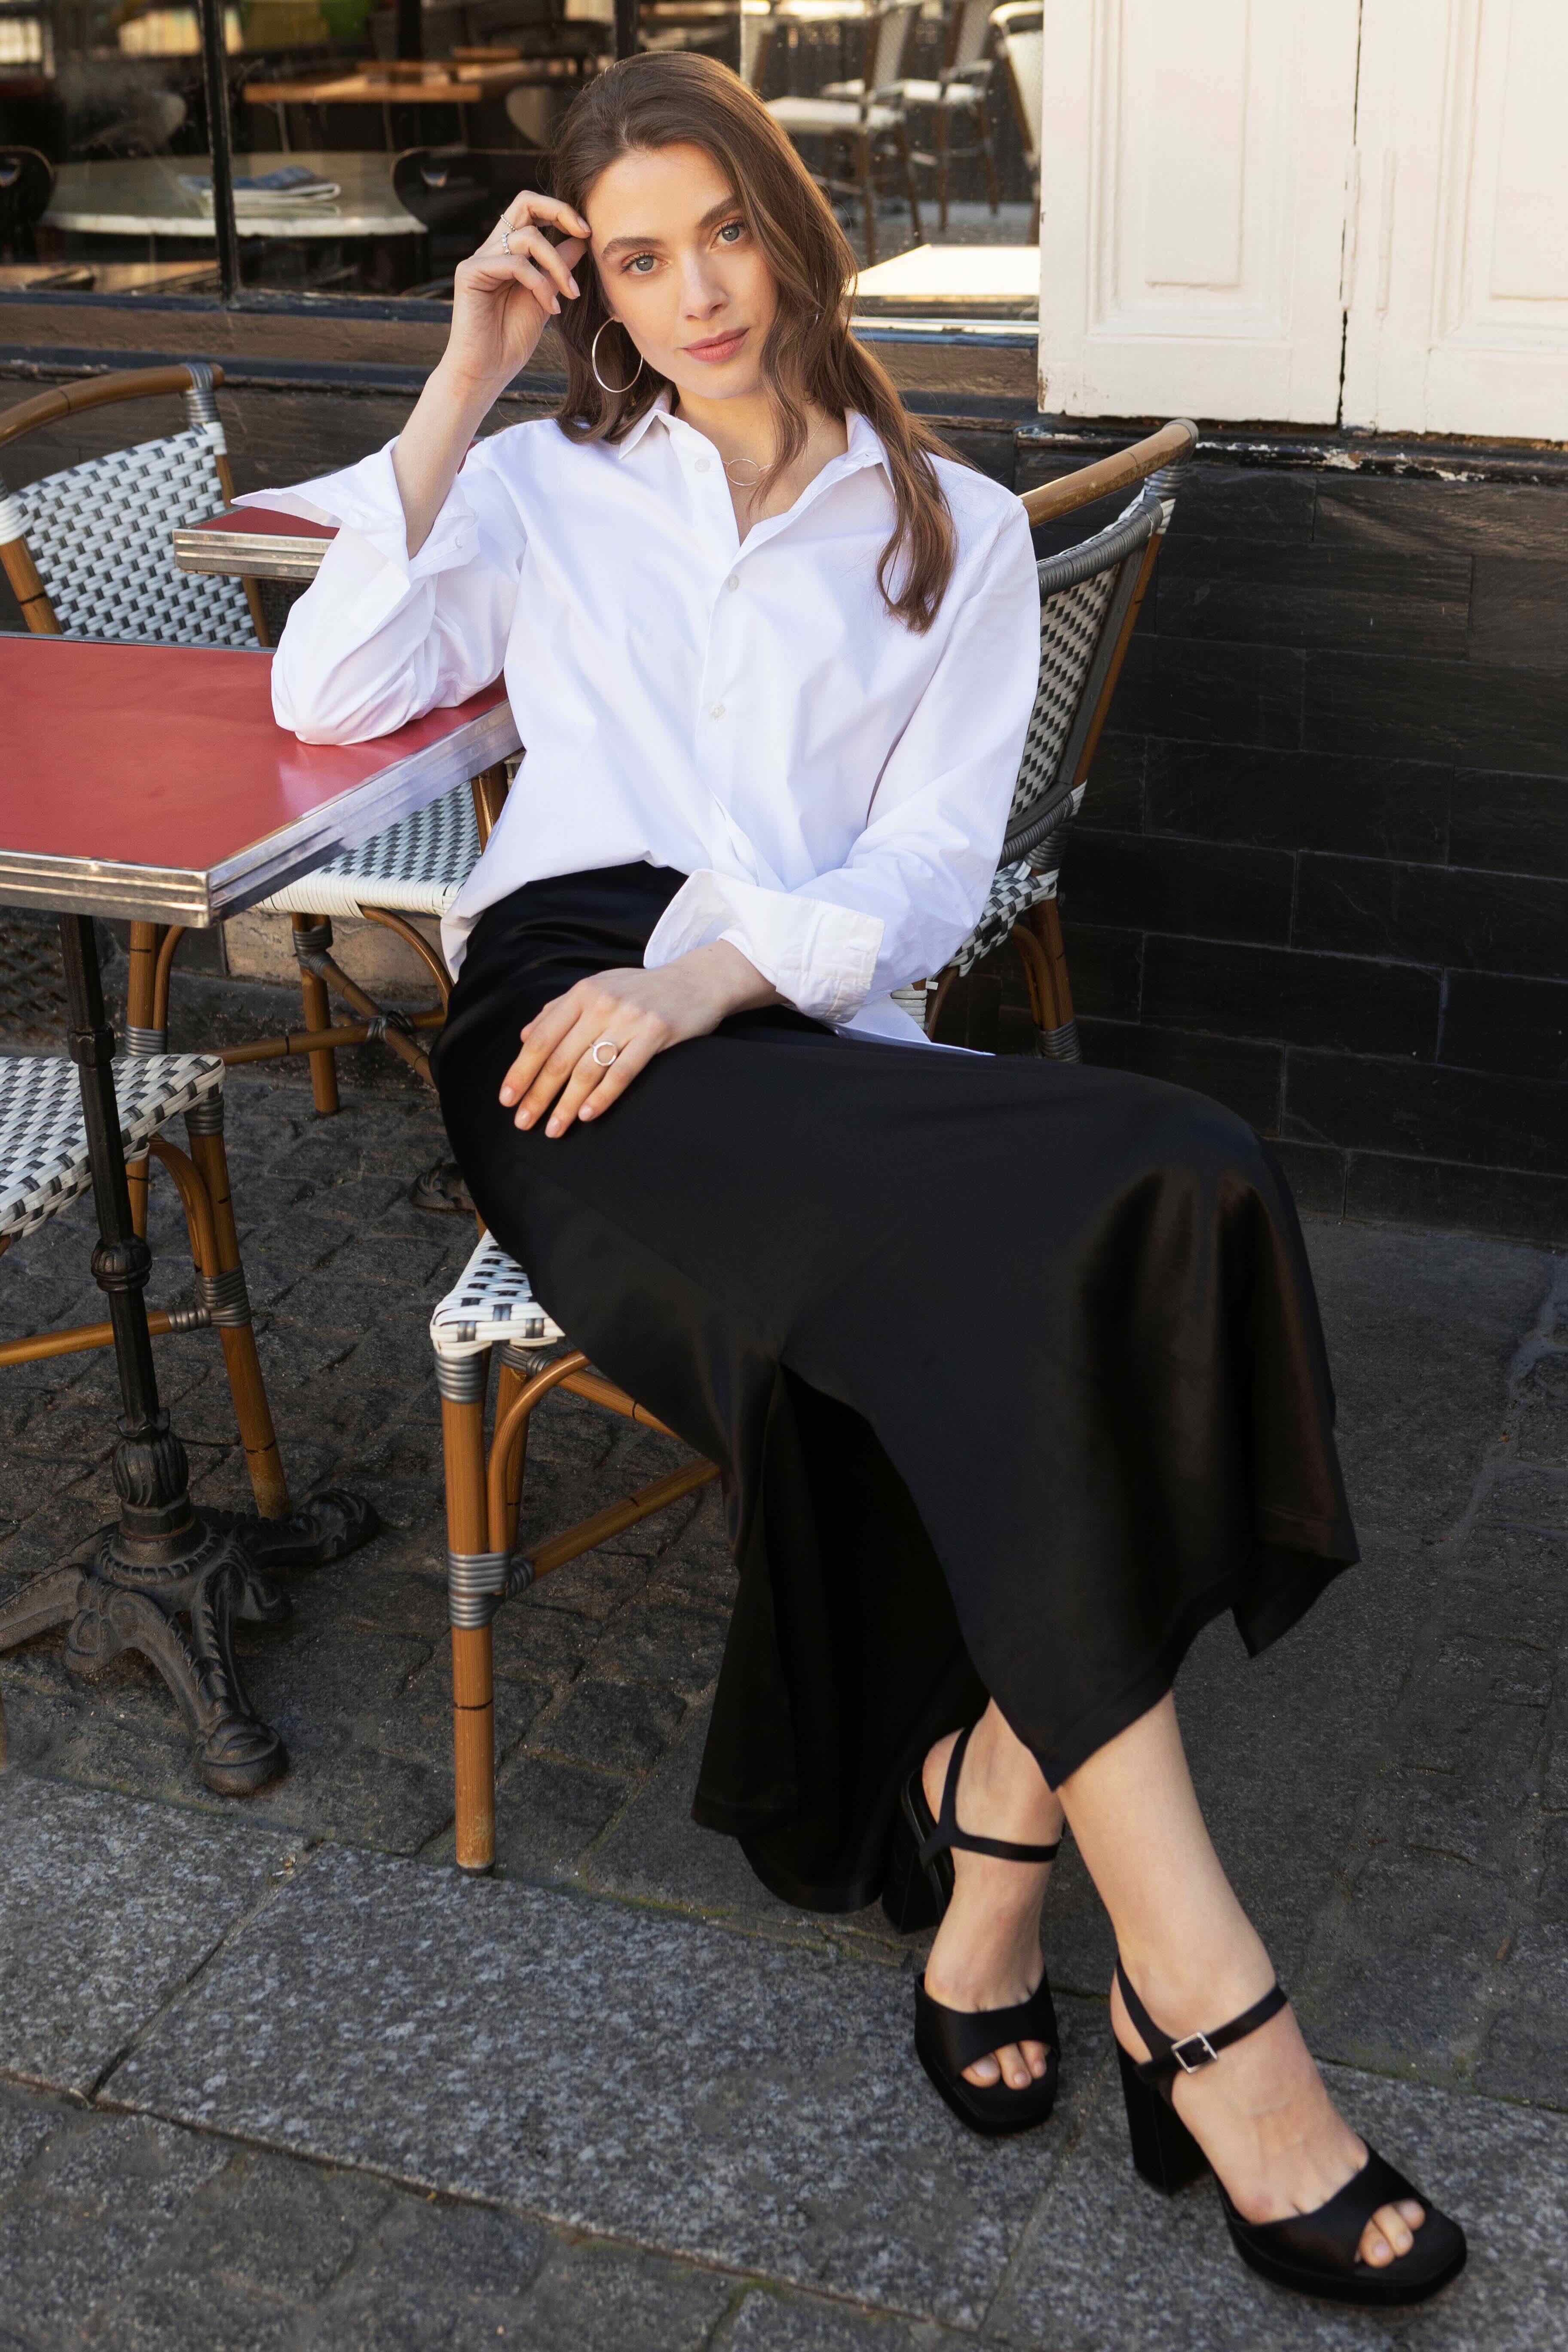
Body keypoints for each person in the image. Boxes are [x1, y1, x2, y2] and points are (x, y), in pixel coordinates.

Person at [251, 51, 1465, 2309]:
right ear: (596, 289)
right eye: (638, 259)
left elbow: (920, 878)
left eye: (725, 229)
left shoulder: (955, 530)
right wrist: (465, 367)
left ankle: (1001, 1828)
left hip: (778, 1011)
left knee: (1183, 1175)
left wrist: (720, 979)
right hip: (566, 1021)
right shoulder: (545, 481)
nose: (696, 291)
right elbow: (330, 692)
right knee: (1030, 1281)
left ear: (794, 228)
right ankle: (1210, 2013)